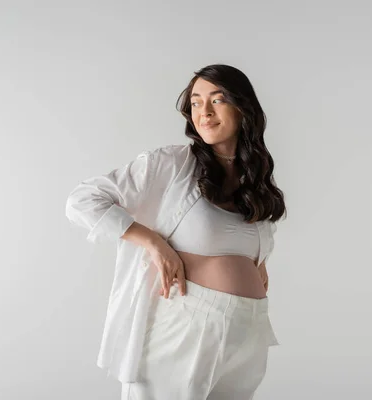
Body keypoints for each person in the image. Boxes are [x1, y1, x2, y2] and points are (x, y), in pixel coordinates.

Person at [65, 64, 287, 400]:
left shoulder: (255, 183)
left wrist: (256, 260)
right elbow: (83, 200)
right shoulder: (171, 164)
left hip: (248, 330)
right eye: (196, 102)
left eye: (218, 99)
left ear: (244, 109)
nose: (205, 112)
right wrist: (152, 242)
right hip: (186, 329)